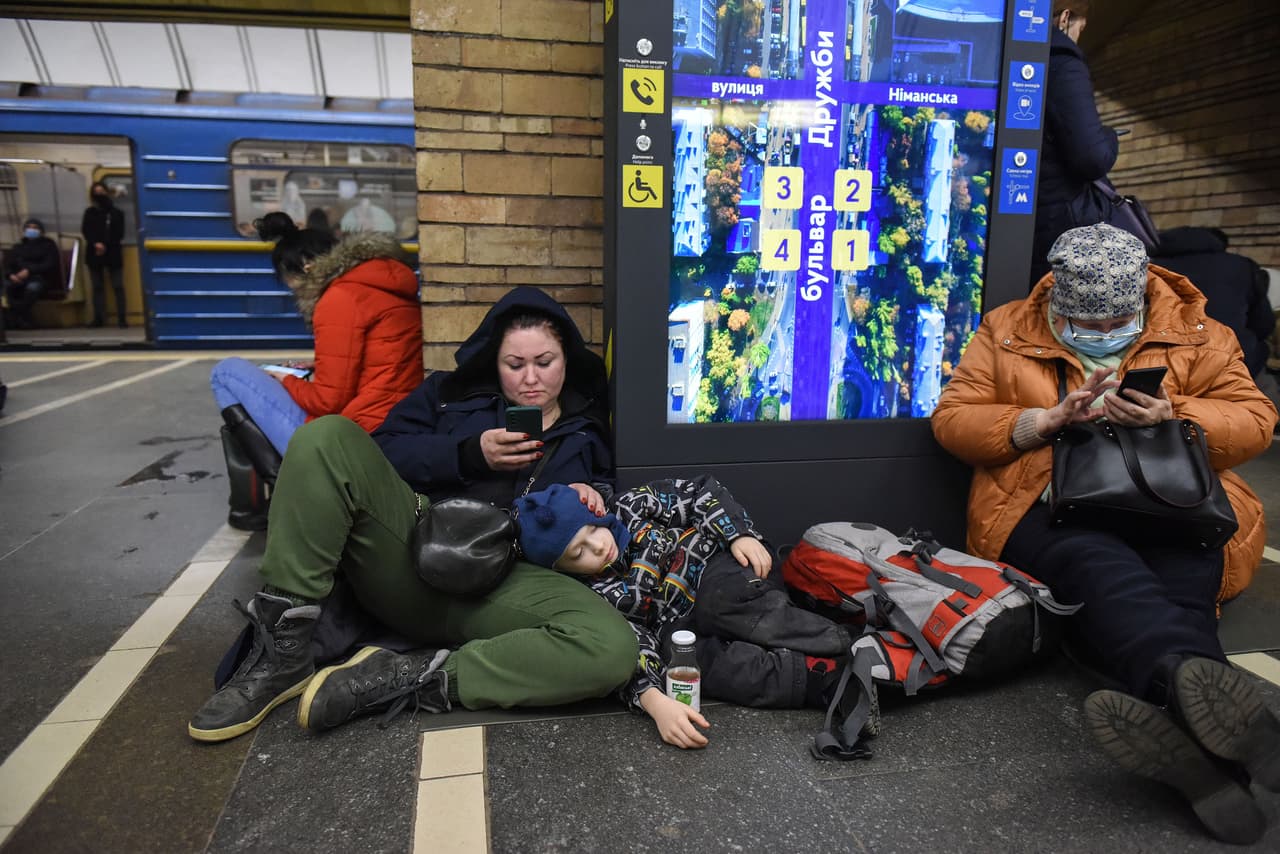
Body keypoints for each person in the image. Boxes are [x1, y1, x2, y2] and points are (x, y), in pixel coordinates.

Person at [932, 223, 1279, 844]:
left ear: (1143, 294)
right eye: (1083, 324)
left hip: (1176, 507)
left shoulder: (1200, 332)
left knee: (1181, 588)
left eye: (1115, 320)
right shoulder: (1007, 327)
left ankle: (1191, 722)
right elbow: (954, 419)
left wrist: (1180, 415)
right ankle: (1247, 734)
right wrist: (1044, 420)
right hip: (1046, 505)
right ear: (1057, 304)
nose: (1098, 335)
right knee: (1104, 573)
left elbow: (1255, 420)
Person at [188, 287, 635, 743]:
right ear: (493, 362)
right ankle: (284, 655)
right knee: (325, 437)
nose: (530, 379)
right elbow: (382, 451)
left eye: (545, 362)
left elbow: (617, 513)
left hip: (509, 586)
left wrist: (592, 498)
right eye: (514, 365)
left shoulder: (587, 429)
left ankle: (409, 675)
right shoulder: (448, 394)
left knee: (613, 649)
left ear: (568, 359)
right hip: (413, 551)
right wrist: (468, 454)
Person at [210, 212, 423, 530]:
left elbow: (327, 401)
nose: (292, 289)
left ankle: (294, 486)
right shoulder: (383, 283)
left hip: (353, 437)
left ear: (307, 265)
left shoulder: (339, 297)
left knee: (227, 373)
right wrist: (314, 369)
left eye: (289, 279)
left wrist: (283, 379)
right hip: (388, 423)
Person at [1029, 0, 1119, 288]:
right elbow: (1092, 157)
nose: (1079, 37)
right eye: (1081, 28)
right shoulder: (1063, 61)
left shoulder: (1016, 58)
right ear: (1065, 18)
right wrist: (1110, 136)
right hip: (1057, 228)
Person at [1150, 226, 1279, 411]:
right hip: (1236, 363)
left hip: (1164, 367)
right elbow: (1264, 324)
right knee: (1263, 409)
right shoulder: (1242, 266)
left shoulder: (1151, 267)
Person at [81, 181, 127, 328]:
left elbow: (119, 233)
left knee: (118, 285)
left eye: (101, 191)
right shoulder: (89, 212)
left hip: (112, 251)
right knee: (97, 286)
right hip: (94, 252)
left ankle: (122, 318)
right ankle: (98, 318)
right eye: (96, 192)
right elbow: (86, 230)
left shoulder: (117, 213)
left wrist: (105, 244)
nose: (99, 195)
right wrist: (96, 243)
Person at [4, 218, 60, 329]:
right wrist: (11, 275)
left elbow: (49, 264)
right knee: (6, 288)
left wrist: (29, 271)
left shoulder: (48, 245)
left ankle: (17, 317)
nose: (31, 230)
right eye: (29, 228)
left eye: (35, 228)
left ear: (41, 231)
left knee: (32, 289)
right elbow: (9, 265)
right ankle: (21, 318)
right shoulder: (18, 247)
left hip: (40, 278)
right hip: (18, 278)